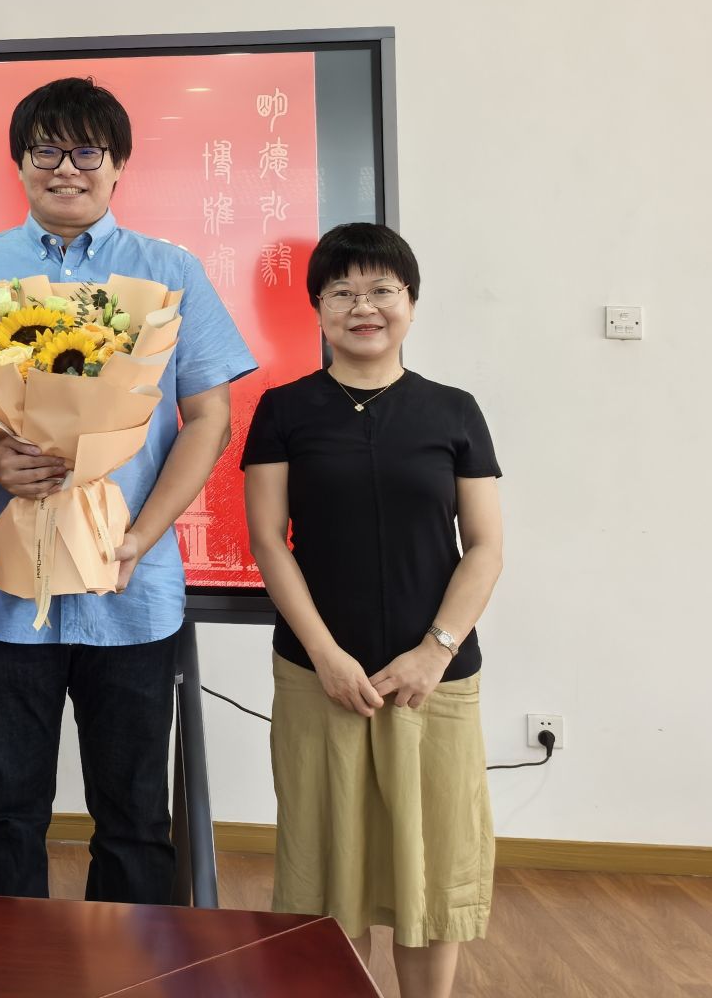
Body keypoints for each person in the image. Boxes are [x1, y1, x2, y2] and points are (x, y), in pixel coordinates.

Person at [0, 76, 255, 902]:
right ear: (19, 163)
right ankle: (10, 966)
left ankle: (129, 967)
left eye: (86, 151)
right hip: (7, 589)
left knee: (135, 816)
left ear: (118, 164)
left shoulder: (169, 271)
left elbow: (209, 417)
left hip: (130, 587)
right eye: (46, 150)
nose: (65, 168)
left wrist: (141, 536)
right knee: (6, 810)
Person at [242, 223, 503, 998]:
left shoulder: (454, 411)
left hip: (435, 683)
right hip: (320, 677)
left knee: (431, 878)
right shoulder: (283, 409)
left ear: (411, 303)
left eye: (382, 290)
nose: (364, 307)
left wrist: (435, 650)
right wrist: (325, 655)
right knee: (330, 876)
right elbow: (269, 541)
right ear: (317, 308)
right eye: (343, 292)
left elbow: (485, 546)